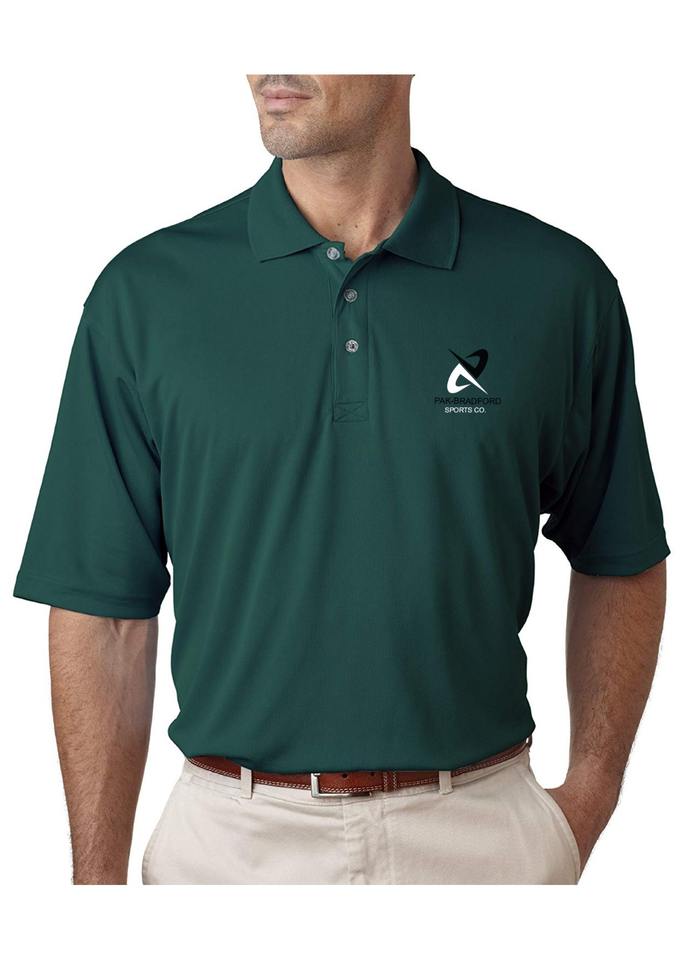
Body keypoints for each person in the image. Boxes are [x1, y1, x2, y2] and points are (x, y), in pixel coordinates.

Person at [14, 74, 669, 884]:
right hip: (228, 849)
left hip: (483, 839)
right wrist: (95, 896)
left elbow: (619, 550)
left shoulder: (554, 285)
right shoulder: (146, 293)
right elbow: (103, 613)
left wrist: (591, 793)